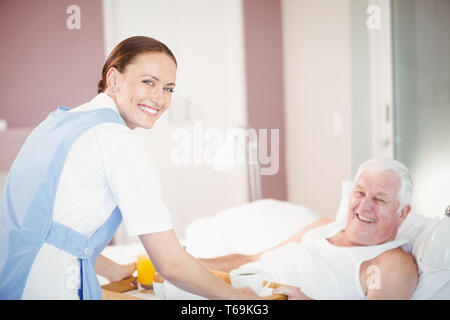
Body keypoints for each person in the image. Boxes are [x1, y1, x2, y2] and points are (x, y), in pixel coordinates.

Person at [0, 36, 259, 300]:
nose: (159, 98)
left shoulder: (56, 123)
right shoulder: (119, 142)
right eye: (149, 82)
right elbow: (172, 264)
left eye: (169, 88)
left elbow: (41, 226)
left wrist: (111, 269)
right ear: (113, 79)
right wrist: (245, 300)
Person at [198, 158, 419, 300]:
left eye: (379, 199)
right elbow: (251, 260)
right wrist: (185, 264)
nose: (364, 205)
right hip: (227, 290)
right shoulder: (324, 227)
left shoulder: (391, 263)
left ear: (402, 213)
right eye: (359, 193)